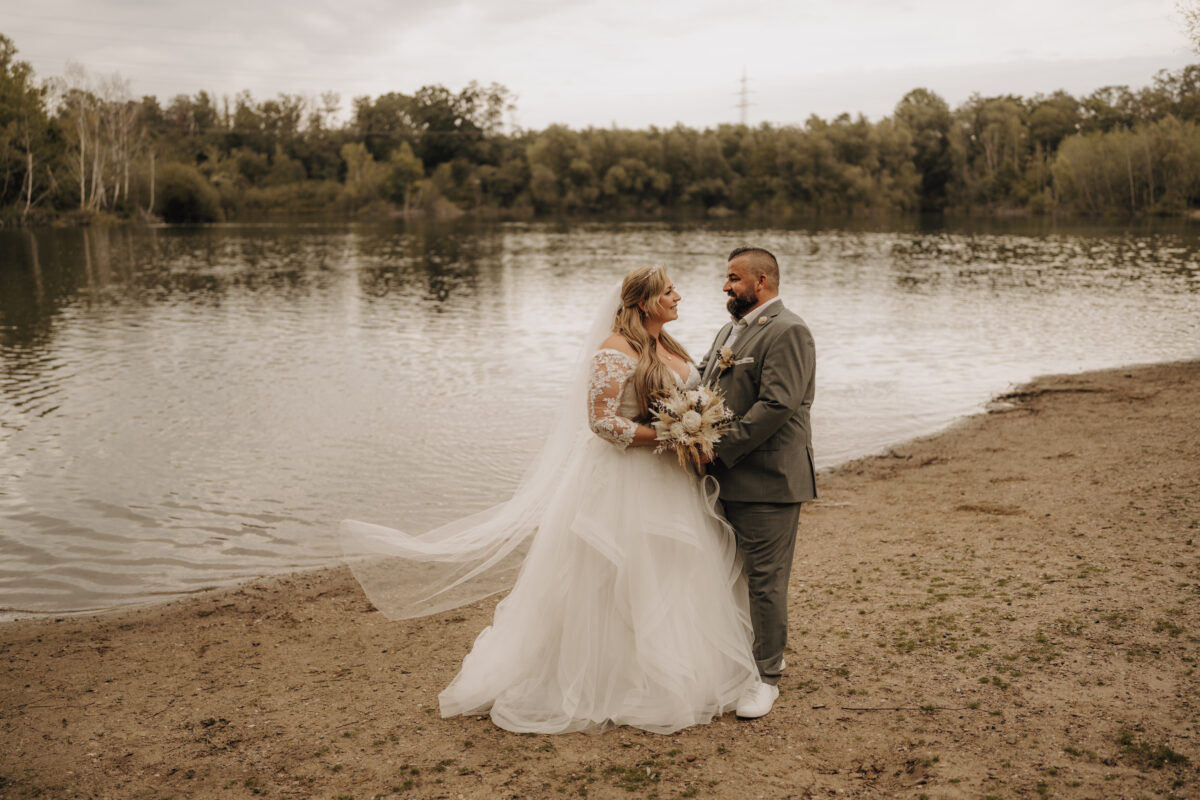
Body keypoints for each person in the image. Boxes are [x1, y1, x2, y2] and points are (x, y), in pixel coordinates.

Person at [341, 265, 758, 734]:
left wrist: (694, 429)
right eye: (668, 291)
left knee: (669, 571)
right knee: (615, 575)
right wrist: (669, 433)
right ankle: (606, 680)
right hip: (625, 482)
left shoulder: (672, 347)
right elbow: (601, 422)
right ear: (643, 302)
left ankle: (678, 674)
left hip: (669, 482)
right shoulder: (613, 350)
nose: (678, 296)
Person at [698, 246, 817, 719]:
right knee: (730, 575)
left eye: (733, 278)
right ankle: (748, 654)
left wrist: (716, 447)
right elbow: (707, 387)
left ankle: (766, 678)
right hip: (723, 478)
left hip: (769, 478)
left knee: (766, 580)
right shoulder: (731, 329)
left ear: (761, 281)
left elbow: (777, 405)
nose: (725, 286)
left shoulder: (789, 331)